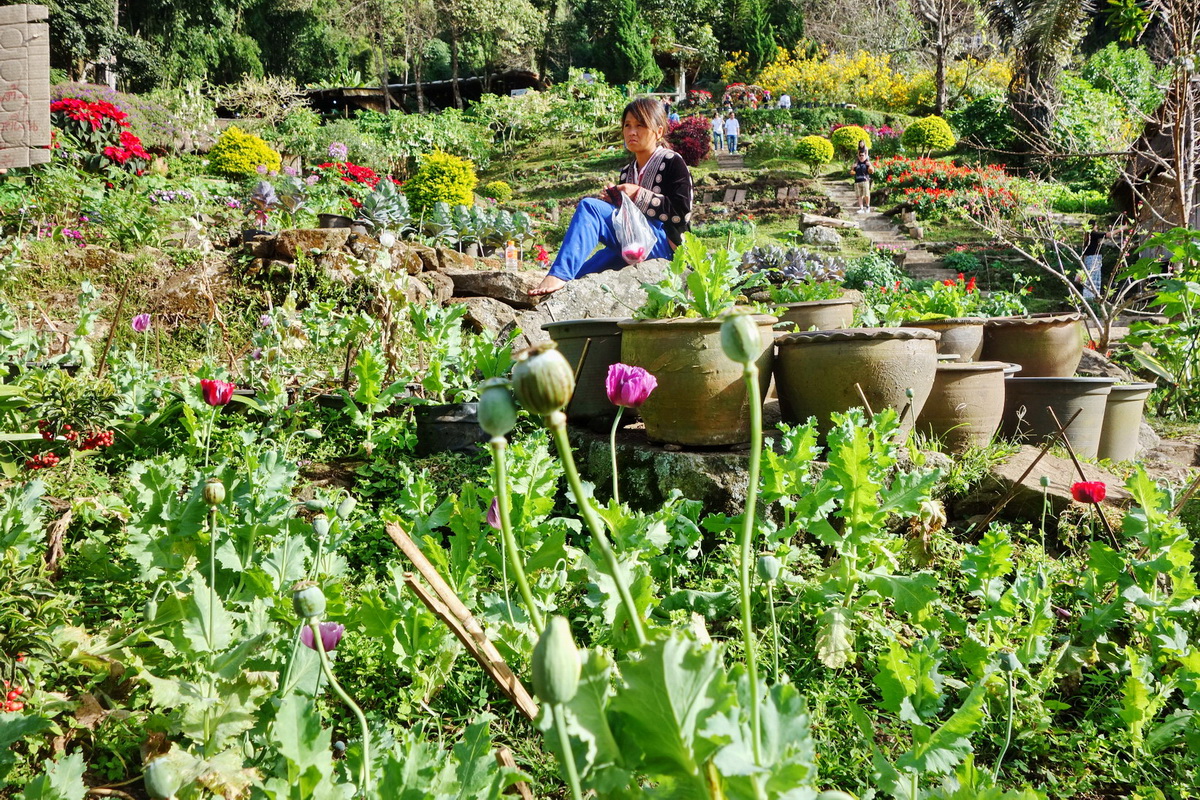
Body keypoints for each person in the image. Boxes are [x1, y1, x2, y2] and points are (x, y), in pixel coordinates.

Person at [530, 98, 694, 296]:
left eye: (640, 125)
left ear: (659, 131)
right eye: (627, 125)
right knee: (580, 278)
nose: (632, 132)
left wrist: (638, 194)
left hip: (665, 249)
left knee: (590, 207)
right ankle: (563, 282)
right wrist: (616, 201)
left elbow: (681, 213)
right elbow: (629, 218)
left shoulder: (672, 162)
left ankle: (559, 274)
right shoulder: (627, 171)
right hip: (632, 244)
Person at [851, 148, 873, 212]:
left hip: (865, 181)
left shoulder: (867, 163)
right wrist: (852, 167)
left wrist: (870, 166)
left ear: (865, 156)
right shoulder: (856, 163)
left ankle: (868, 206)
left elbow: (872, 171)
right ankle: (861, 208)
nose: (861, 157)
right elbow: (852, 172)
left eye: (862, 155)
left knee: (866, 194)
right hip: (857, 181)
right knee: (859, 195)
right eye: (860, 155)